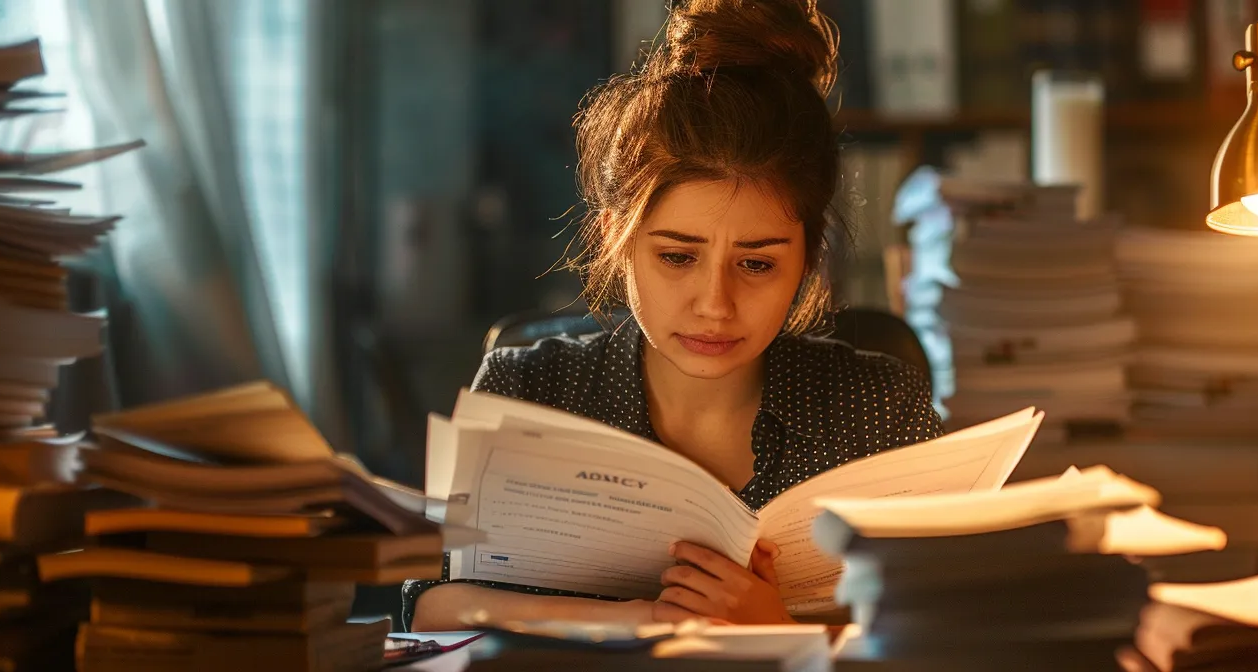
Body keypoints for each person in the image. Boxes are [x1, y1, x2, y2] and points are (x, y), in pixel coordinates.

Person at [403, 0, 941, 631]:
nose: (715, 304)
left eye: (757, 265)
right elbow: (431, 604)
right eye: (678, 257)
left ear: (809, 259)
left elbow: (949, 625)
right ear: (617, 236)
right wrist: (635, 620)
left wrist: (783, 632)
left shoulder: (879, 408)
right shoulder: (528, 392)